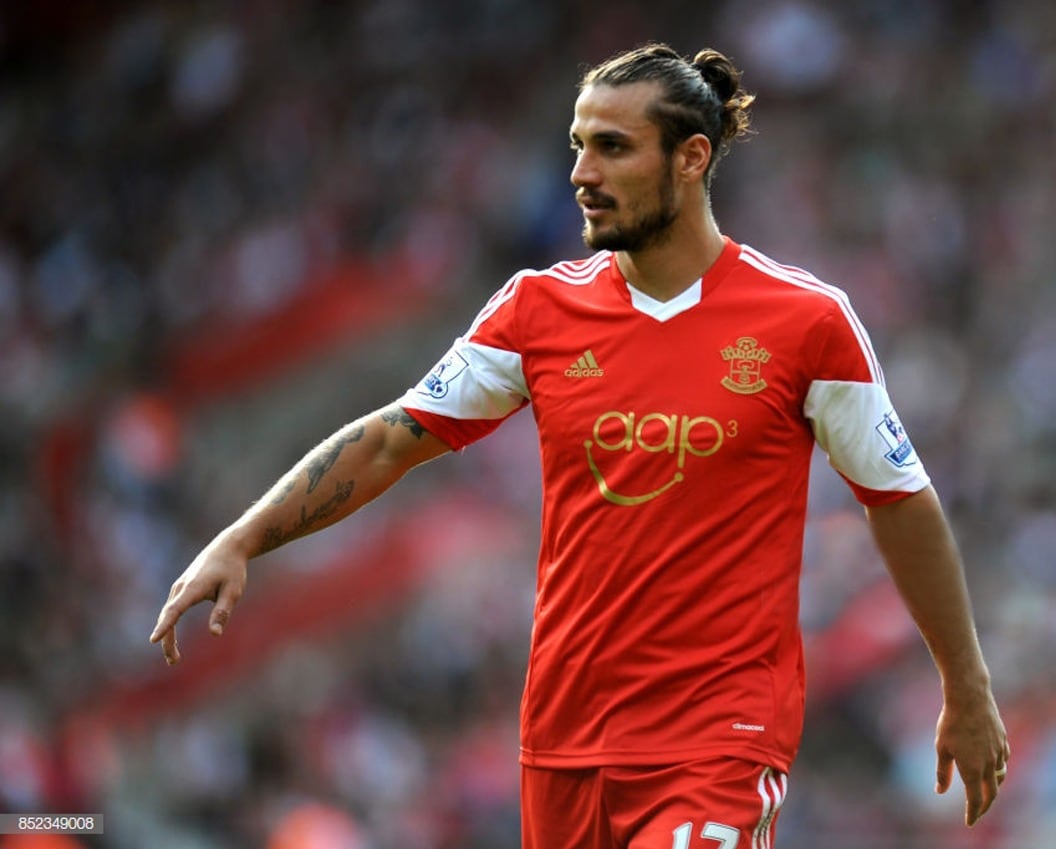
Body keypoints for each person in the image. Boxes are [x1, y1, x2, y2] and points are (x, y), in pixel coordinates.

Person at [150, 42, 1009, 848]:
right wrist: (243, 535)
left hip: (719, 738)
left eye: (611, 148)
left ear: (692, 158)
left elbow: (901, 501)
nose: (580, 175)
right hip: (564, 741)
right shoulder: (536, 312)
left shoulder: (806, 323)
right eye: (576, 146)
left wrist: (965, 687)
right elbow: (389, 441)